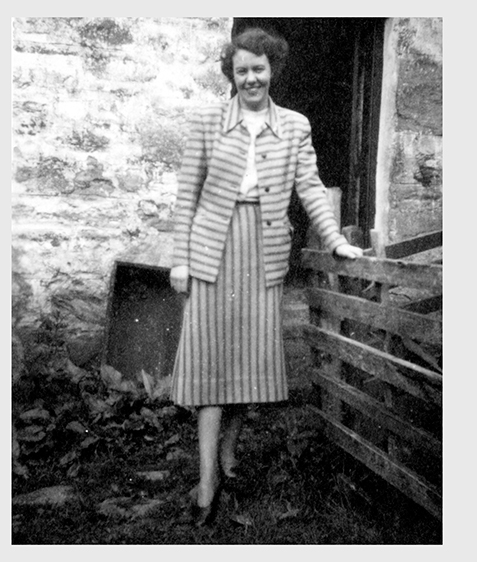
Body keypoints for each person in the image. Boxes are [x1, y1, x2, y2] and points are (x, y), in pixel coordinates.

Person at [169, 27, 363, 526]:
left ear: (272, 69)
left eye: (259, 68)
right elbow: (186, 196)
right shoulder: (207, 121)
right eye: (242, 70)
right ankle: (207, 482)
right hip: (213, 251)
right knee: (210, 364)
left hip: (264, 253)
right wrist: (180, 259)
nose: (251, 78)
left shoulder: (295, 126)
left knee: (248, 361)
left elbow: (311, 187)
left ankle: (228, 454)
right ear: (230, 74)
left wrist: (335, 240)